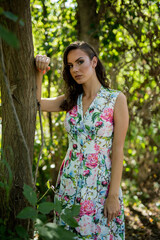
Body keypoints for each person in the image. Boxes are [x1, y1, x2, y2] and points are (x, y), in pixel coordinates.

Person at [35, 41, 129, 240]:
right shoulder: (70, 100)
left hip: (101, 186)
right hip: (69, 182)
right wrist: (39, 72)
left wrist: (113, 196)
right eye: (70, 66)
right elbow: (36, 104)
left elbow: (118, 150)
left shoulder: (115, 99)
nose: (75, 69)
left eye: (80, 62)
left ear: (94, 62)